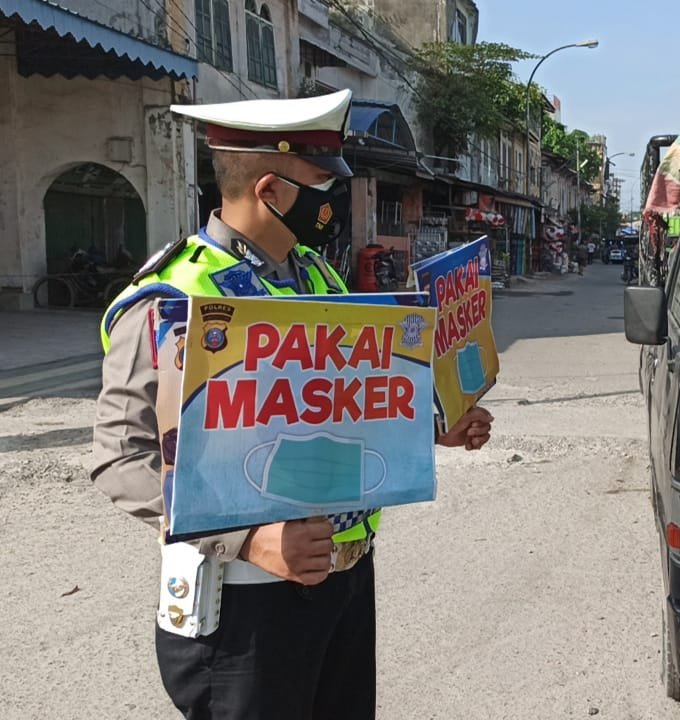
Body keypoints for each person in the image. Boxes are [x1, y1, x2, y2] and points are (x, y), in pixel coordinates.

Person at [92, 90, 494, 720]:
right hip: (245, 600)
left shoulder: (318, 279)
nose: (332, 202)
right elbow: (122, 459)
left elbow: (338, 407)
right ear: (273, 191)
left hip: (343, 580)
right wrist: (248, 539)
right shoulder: (171, 297)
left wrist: (429, 427)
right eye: (320, 184)